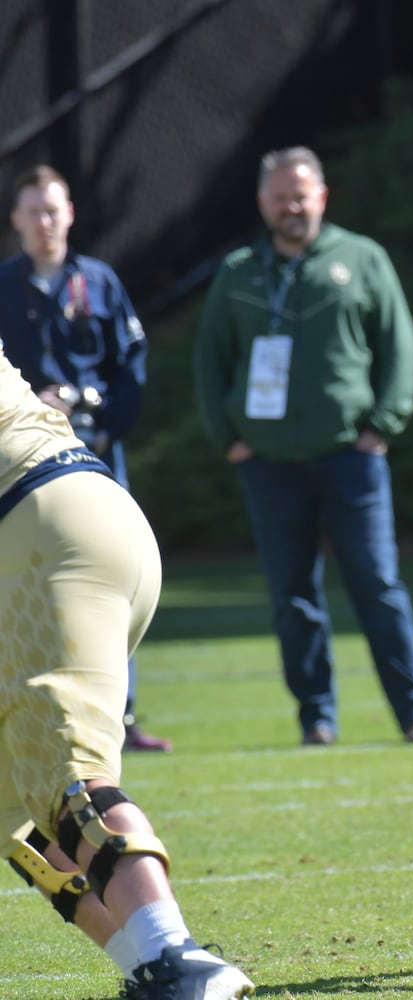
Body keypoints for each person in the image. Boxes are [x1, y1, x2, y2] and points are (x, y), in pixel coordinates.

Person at [0, 348, 253, 997]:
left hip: (41, 530)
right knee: (14, 811)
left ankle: (178, 957)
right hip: (63, 521)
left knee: (67, 779)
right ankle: (145, 963)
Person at [193, 146, 413, 747]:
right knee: (292, 597)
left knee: (377, 585)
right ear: (262, 203)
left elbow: (399, 350)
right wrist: (231, 441)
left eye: (300, 195)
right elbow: (210, 362)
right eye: (279, 198)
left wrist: (381, 425)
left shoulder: (363, 258)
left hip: (349, 456)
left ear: (321, 196)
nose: (291, 207)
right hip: (269, 461)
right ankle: (317, 720)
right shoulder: (239, 272)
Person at [0, 165, 171, 753]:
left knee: (113, 578)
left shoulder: (99, 281)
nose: (45, 221)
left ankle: (120, 717)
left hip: (95, 462)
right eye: (33, 211)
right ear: (16, 219)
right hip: (24, 475)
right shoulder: (2, 285)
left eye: (53, 209)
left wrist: (103, 426)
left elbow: (132, 368)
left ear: (69, 213)